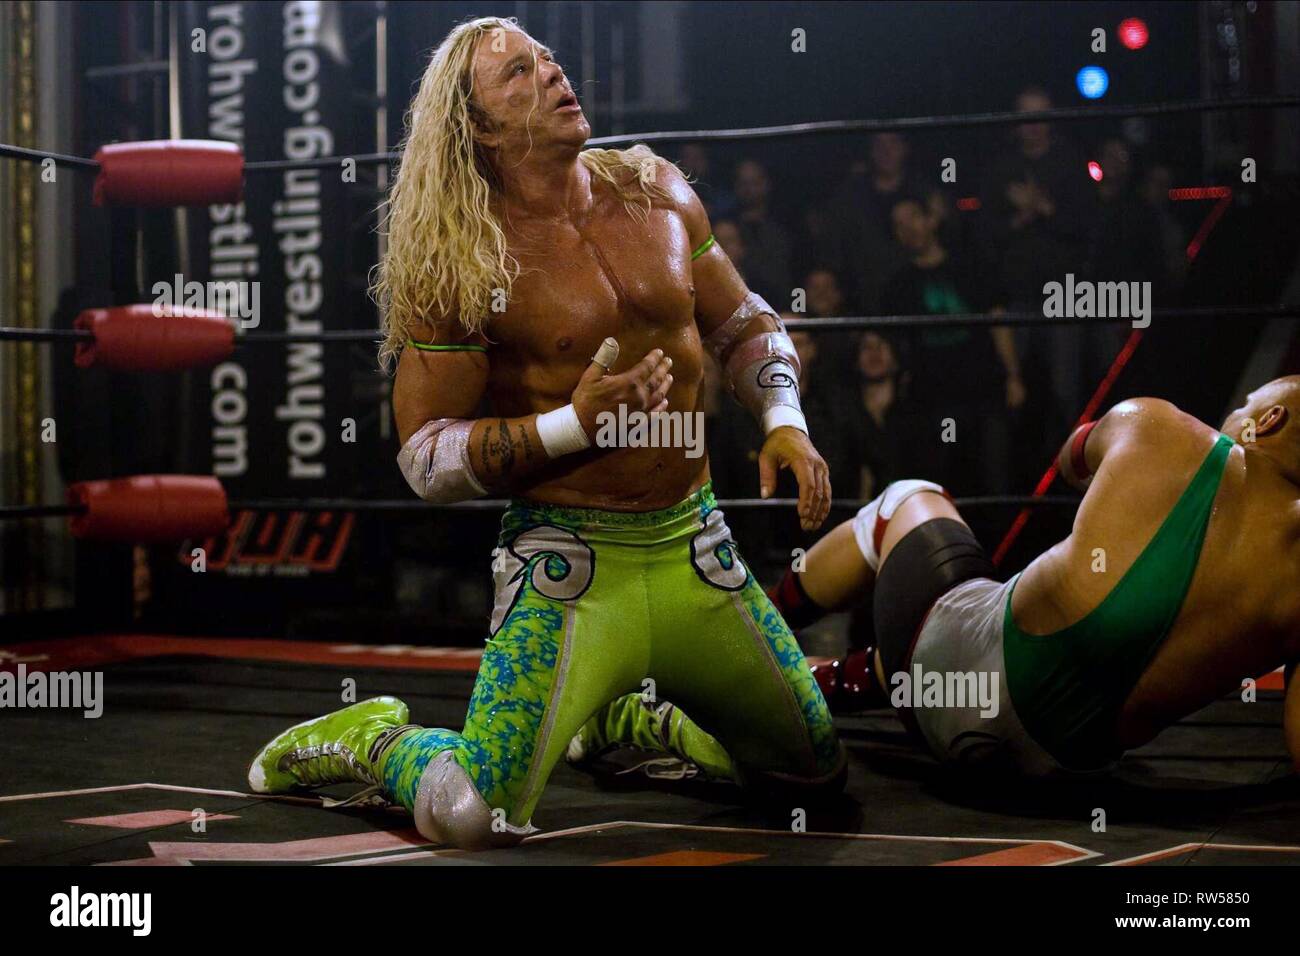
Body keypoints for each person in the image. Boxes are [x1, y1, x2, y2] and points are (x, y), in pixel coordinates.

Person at [244, 17, 842, 850]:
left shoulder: (659, 189)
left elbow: (745, 323)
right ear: (481, 128)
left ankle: (635, 720)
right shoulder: (461, 260)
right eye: (518, 74)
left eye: (546, 60)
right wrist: (572, 427)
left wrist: (783, 422)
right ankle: (368, 738)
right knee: (470, 816)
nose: (553, 74)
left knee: (813, 774)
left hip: (695, 546)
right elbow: (424, 457)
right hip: (570, 565)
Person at [573, 377, 1300, 780]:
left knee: (905, 499)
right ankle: (820, 679)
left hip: (959, 662)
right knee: (947, 632)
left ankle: (734, 631)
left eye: (1244, 405)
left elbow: (1071, 460)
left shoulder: (1156, 425)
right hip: (1048, 777)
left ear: (1266, 421)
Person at [881, 194, 1023, 494]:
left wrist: (1013, 375)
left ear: (931, 219)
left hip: (983, 388)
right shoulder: (897, 286)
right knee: (942, 479)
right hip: (932, 397)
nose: (909, 229)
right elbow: (896, 346)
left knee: (994, 475)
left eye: (913, 218)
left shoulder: (971, 267)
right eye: (899, 225)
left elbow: (998, 321)